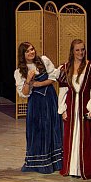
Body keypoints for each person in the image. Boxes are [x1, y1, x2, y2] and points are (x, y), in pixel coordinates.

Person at [57, 39, 91, 179]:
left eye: (82, 49)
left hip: (85, 108)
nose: (80, 52)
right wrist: (63, 109)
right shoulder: (65, 68)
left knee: (86, 139)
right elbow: (63, 90)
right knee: (72, 138)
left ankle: (85, 169)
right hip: (72, 109)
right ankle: (72, 168)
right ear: (72, 51)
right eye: (77, 50)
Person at [14, 42, 63, 174]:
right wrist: (28, 80)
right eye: (27, 51)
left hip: (50, 99)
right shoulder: (19, 72)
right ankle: (39, 163)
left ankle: (57, 162)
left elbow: (53, 78)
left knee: (53, 127)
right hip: (36, 104)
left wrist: (39, 83)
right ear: (23, 55)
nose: (31, 52)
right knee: (38, 130)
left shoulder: (43, 60)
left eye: (32, 49)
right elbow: (24, 93)